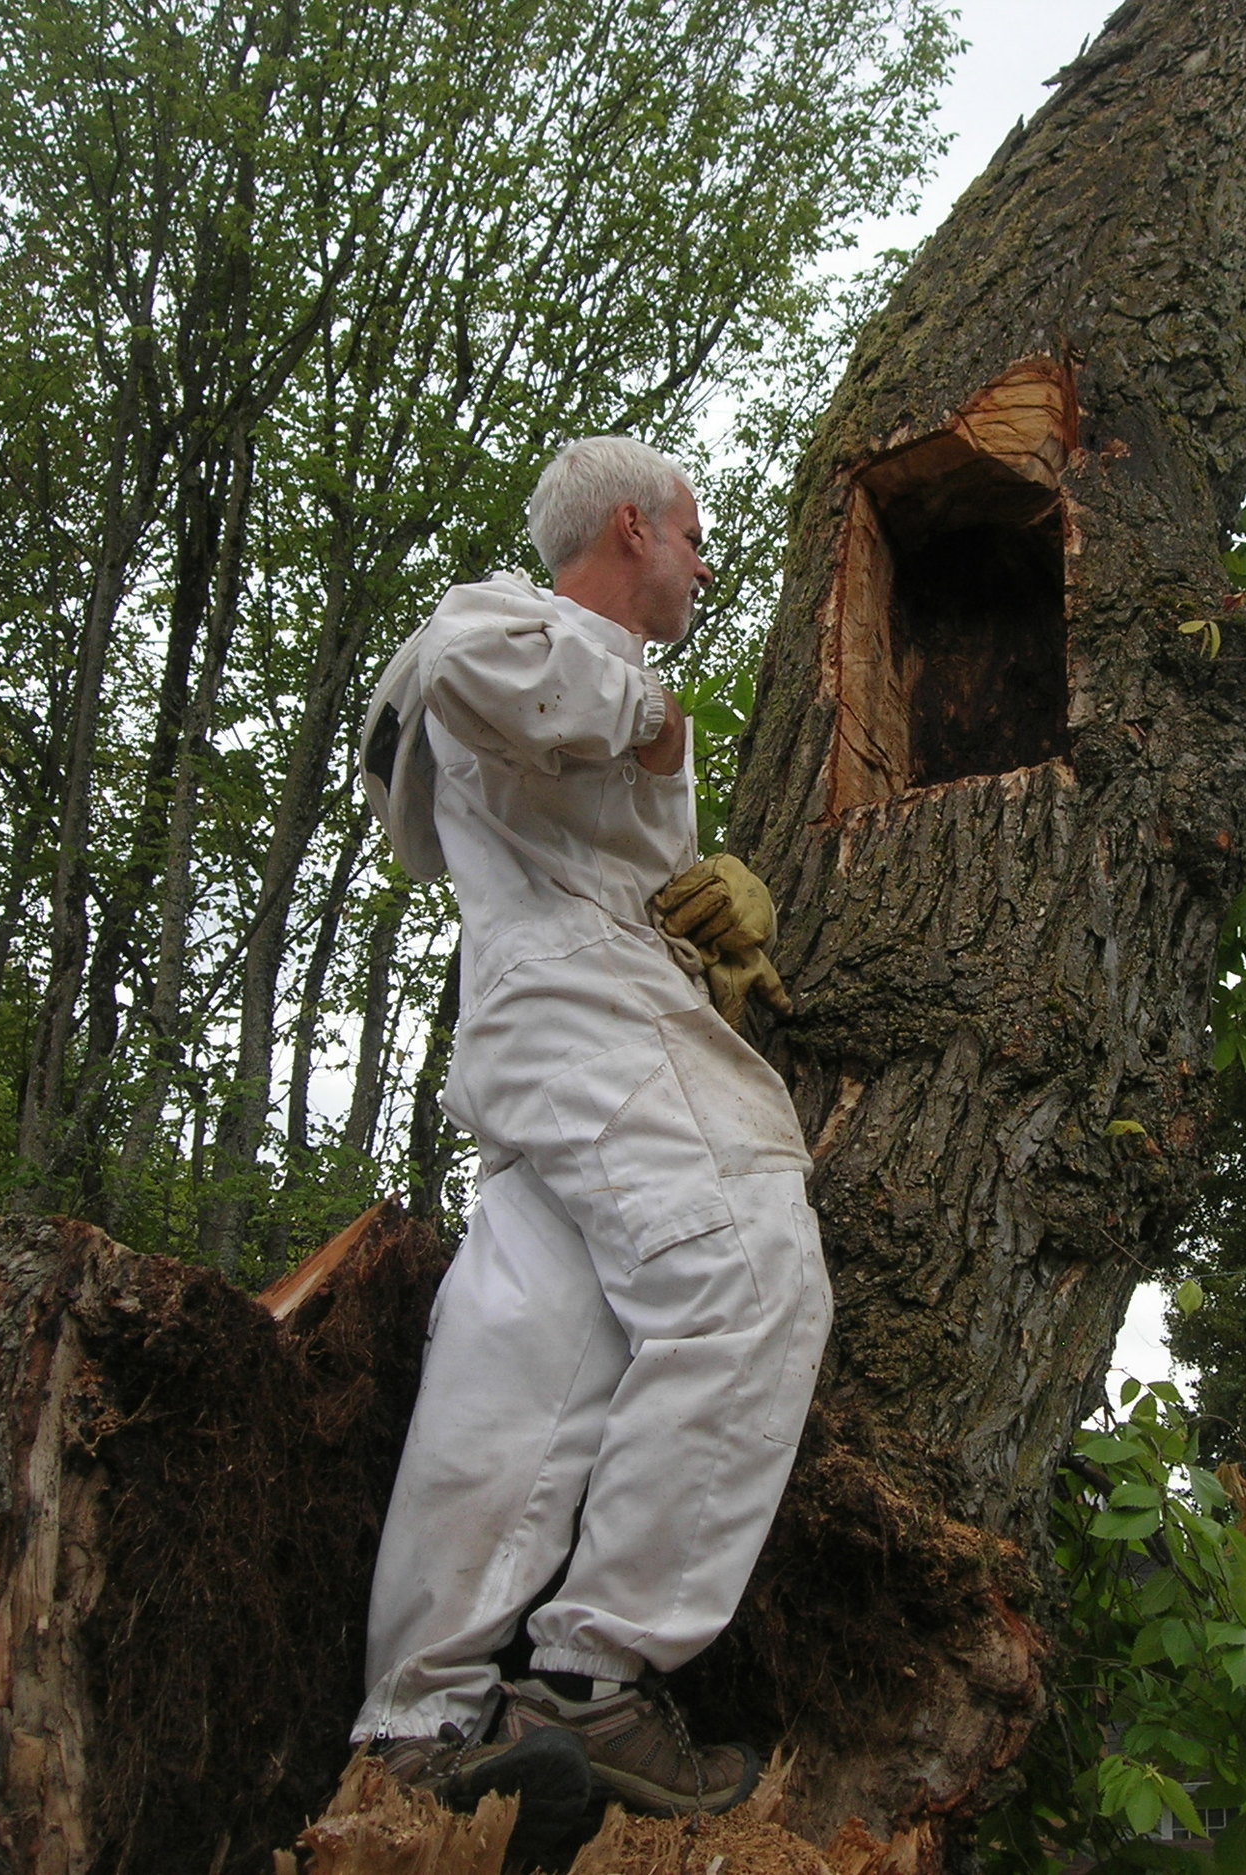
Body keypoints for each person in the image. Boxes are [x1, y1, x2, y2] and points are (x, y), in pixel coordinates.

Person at [350, 436, 829, 1835]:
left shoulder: (570, 676)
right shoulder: (501, 620)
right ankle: (593, 1677)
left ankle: (418, 1722)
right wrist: (655, 724)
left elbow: (570, 822)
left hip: (553, 1045)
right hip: (592, 1027)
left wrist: (701, 898)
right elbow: (466, 678)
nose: (702, 563)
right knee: (749, 1293)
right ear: (629, 526)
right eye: (689, 539)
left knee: (523, 1371)